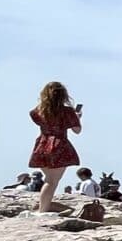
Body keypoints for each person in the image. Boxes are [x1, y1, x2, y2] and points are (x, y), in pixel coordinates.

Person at [28, 82, 82, 213]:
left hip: (42, 143)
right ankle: (43, 210)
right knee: (52, 181)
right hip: (59, 144)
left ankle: (43, 207)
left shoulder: (37, 111)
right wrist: (77, 118)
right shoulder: (67, 111)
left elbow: (40, 120)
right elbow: (77, 130)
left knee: (48, 179)